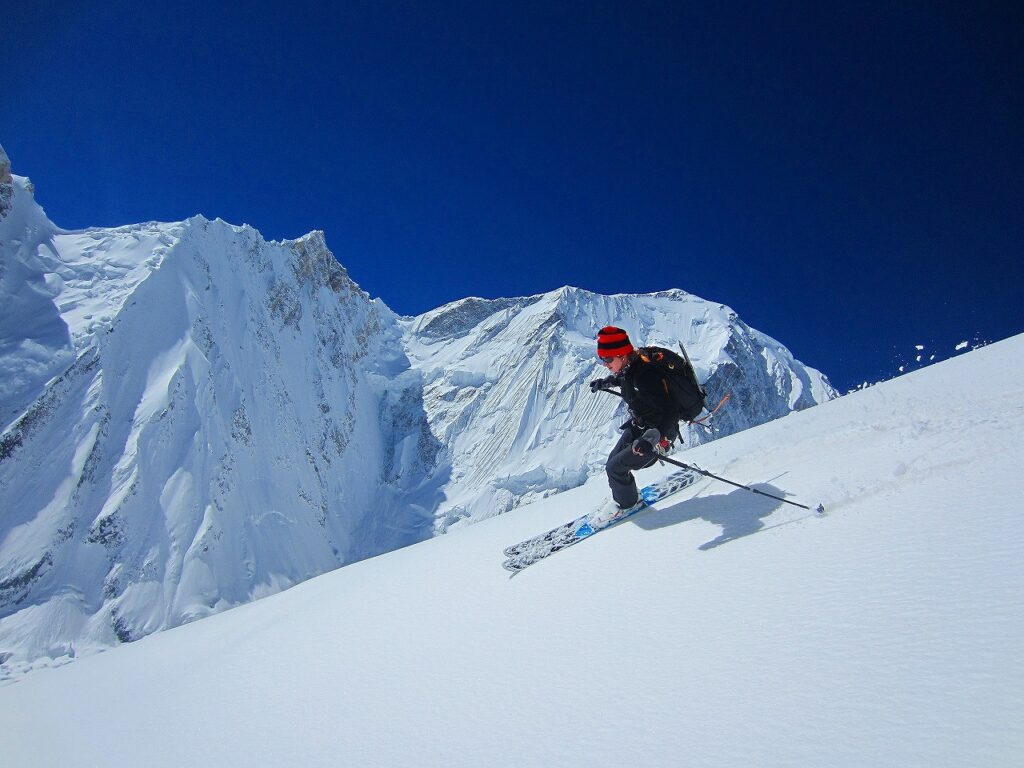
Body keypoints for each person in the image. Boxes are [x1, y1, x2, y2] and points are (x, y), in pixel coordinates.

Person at [590, 326, 679, 512]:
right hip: (639, 426)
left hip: (656, 436)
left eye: (607, 359)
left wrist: (653, 439)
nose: (605, 364)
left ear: (622, 355)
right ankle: (627, 496)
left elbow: (671, 410)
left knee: (616, 469)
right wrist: (603, 383)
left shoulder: (646, 376)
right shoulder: (630, 368)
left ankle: (628, 505)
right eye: (602, 359)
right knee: (612, 464)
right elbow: (623, 380)